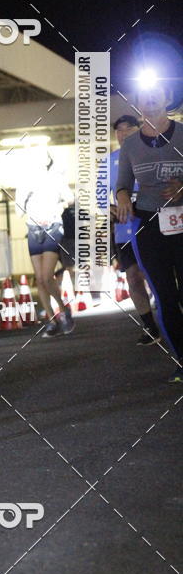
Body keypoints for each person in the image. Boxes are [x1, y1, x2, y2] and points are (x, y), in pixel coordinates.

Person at [116, 84, 183, 382]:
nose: (151, 98)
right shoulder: (130, 145)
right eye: (145, 95)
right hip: (149, 224)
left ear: (168, 99)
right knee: (166, 297)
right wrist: (121, 200)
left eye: (158, 93)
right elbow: (123, 184)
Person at [110, 115, 159, 345]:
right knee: (133, 277)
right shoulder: (108, 162)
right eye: (119, 130)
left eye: (128, 129)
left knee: (158, 274)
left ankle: (169, 315)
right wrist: (108, 208)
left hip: (153, 222)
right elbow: (98, 197)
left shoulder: (150, 153)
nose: (122, 134)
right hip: (124, 229)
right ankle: (150, 326)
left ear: (138, 130)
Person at [15, 150, 74, 337]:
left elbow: (70, 199)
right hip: (33, 229)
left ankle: (64, 311)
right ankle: (51, 320)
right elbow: (18, 211)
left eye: (42, 157)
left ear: (48, 160)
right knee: (39, 278)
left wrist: (58, 207)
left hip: (53, 227)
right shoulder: (24, 182)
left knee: (47, 276)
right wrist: (26, 201)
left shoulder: (55, 178)